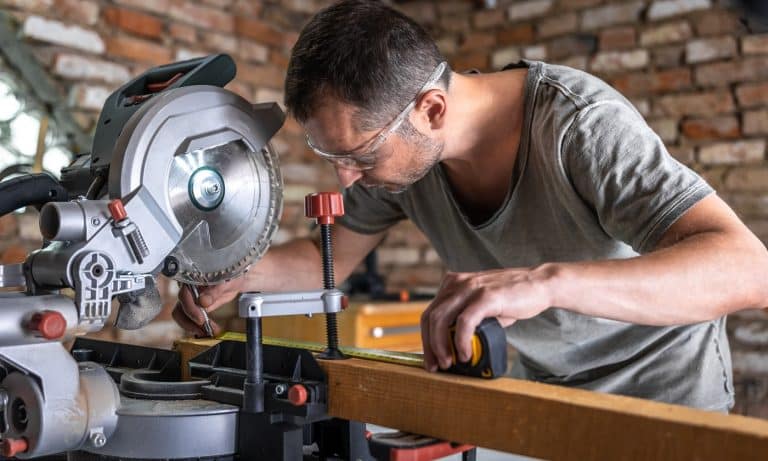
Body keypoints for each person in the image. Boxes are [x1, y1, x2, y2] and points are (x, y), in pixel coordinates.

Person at [174, 0, 768, 411]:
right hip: (539, 394)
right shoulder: (406, 165)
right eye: (330, 155)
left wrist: (546, 283)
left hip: (660, 400)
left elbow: (749, 268)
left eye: (357, 154)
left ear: (431, 110)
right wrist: (233, 272)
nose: (345, 175)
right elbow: (326, 261)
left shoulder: (580, 128)